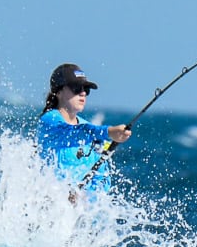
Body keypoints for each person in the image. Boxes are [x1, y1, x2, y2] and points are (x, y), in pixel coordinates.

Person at [36, 63, 131, 193]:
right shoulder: (49, 120)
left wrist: (87, 198)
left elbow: (102, 177)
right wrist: (108, 132)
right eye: (76, 88)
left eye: (86, 89)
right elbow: (74, 132)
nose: (82, 93)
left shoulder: (88, 129)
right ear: (58, 91)